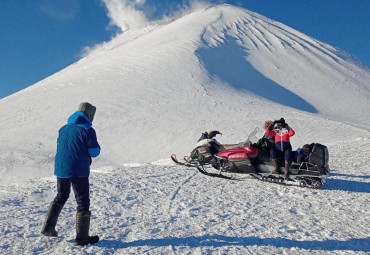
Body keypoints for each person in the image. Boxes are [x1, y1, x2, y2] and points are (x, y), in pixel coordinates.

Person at [41, 102, 101, 246]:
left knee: (62, 195)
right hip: (78, 169)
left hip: (61, 168)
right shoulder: (87, 129)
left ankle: (48, 228)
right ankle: (82, 238)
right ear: (90, 115)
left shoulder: (64, 128)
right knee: (82, 200)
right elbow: (94, 151)